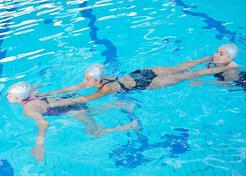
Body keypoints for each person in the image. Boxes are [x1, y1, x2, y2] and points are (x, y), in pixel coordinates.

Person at [43, 46, 238, 107]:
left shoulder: (106, 88)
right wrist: (47, 93)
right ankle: (208, 59)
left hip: (146, 82)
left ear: (96, 80)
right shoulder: (102, 78)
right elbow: (72, 89)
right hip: (140, 72)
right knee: (181, 68)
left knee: (189, 75)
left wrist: (56, 104)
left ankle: (218, 69)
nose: (85, 82)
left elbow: (84, 98)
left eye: (87, 79)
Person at [6, 82, 138, 162]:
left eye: (10, 95)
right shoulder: (34, 93)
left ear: (19, 99)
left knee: (95, 132)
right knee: (90, 111)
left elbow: (44, 123)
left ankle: (129, 126)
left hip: (71, 108)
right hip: (69, 99)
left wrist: (39, 145)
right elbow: (35, 86)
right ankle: (117, 104)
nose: (7, 97)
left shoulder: (28, 108)